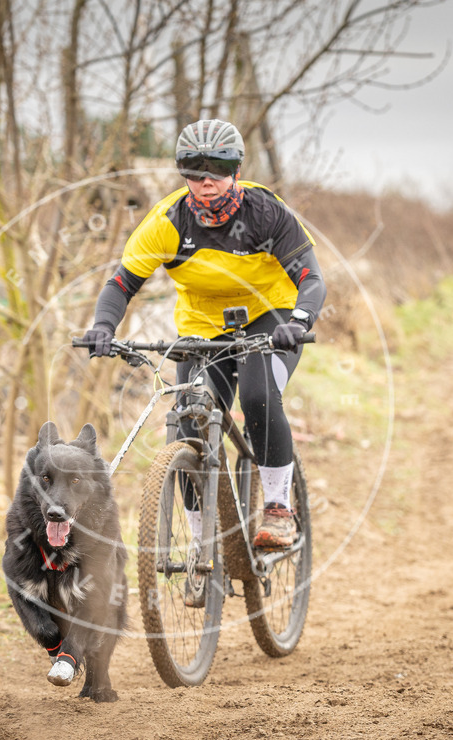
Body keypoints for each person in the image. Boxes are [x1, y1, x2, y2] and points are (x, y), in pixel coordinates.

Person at [82, 118, 326, 551]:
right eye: (194, 171)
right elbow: (121, 284)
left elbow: (311, 277)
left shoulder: (266, 213)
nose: (206, 181)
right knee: (186, 426)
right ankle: (202, 541)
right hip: (201, 330)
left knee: (258, 395)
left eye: (217, 169)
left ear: (235, 171)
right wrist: (103, 327)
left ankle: (277, 508)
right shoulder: (167, 221)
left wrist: (301, 320)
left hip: (271, 318)